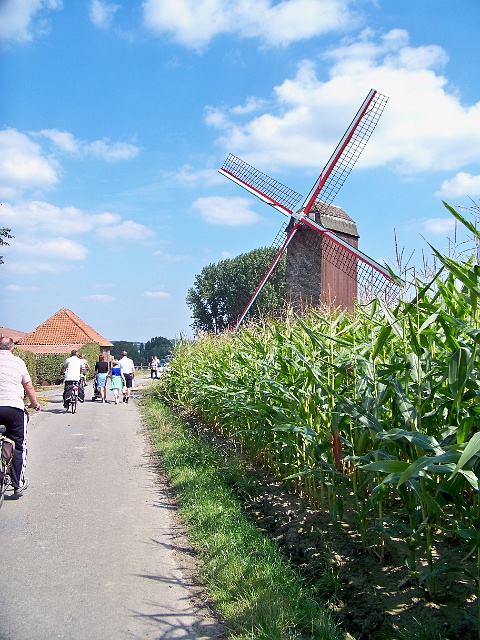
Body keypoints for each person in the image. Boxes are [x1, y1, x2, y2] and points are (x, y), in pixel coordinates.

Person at [0, 335, 41, 498]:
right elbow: (28, 386)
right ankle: (18, 483)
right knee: (19, 444)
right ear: (12, 348)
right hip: (13, 409)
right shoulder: (18, 362)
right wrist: (34, 403)